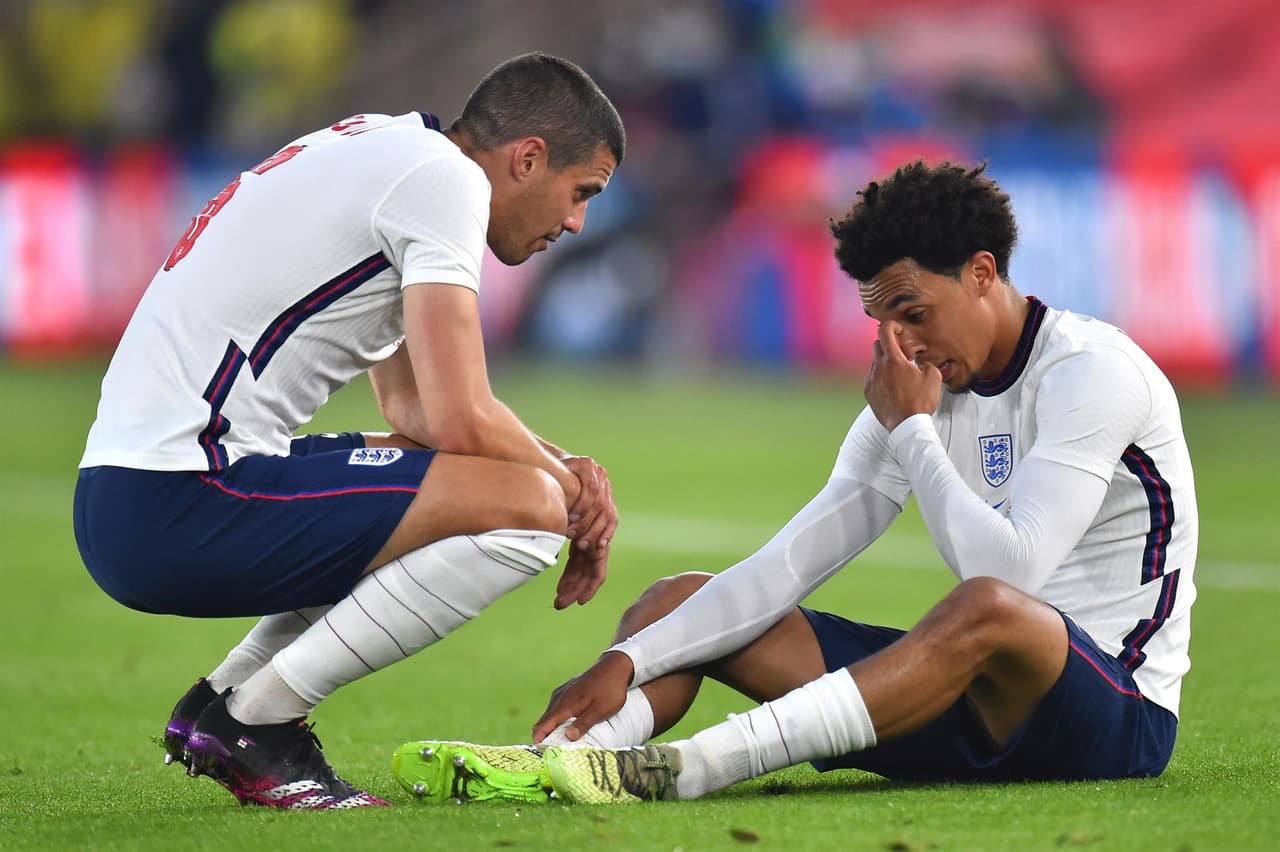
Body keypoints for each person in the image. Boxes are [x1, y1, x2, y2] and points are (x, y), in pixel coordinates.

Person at [393, 160, 1197, 805]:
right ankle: (564, 760)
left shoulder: (1090, 376)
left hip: (1111, 717)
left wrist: (914, 431)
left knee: (987, 609)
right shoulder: (916, 385)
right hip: (965, 705)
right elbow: (789, 565)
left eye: (914, 312)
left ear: (982, 273)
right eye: (882, 322)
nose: (901, 346)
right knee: (674, 604)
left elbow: (1007, 577)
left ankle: (690, 768)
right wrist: (631, 662)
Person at [73, 52, 625, 810]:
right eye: (580, 193)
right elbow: (463, 413)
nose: (575, 221)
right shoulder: (446, 182)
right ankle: (259, 724)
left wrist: (568, 468)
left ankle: (221, 703)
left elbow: (418, 414)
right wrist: (576, 501)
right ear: (527, 158)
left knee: (454, 474)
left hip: (133, 491)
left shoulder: (390, 148)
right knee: (530, 511)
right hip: (179, 496)